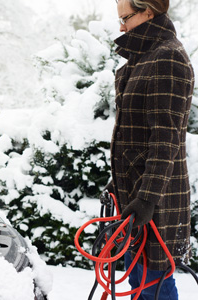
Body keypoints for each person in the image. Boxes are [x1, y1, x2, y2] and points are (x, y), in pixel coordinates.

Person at [104, 0, 195, 299]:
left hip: (156, 203)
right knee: (137, 283)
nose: (121, 27)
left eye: (126, 17)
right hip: (135, 200)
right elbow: (135, 138)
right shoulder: (141, 60)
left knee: (153, 288)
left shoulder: (167, 58)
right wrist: (117, 181)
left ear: (149, 12)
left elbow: (165, 140)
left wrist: (146, 199)